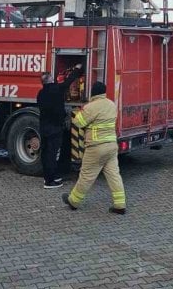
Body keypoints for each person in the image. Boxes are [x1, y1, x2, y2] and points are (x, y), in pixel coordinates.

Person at [63, 81, 126, 214]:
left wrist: (78, 112)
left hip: (96, 147)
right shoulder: (111, 104)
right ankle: (120, 205)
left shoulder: (91, 107)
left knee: (86, 175)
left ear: (93, 93)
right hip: (111, 146)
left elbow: (79, 122)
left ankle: (73, 201)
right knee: (114, 175)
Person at [36, 64, 83, 189]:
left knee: (46, 152)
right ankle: (50, 182)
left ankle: (49, 176)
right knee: (52, 153)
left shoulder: (40, 93)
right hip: (55, 127)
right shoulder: (56, 89)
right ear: (51, 79)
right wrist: (77, 68)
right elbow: (68, 81)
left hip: (44, 127)